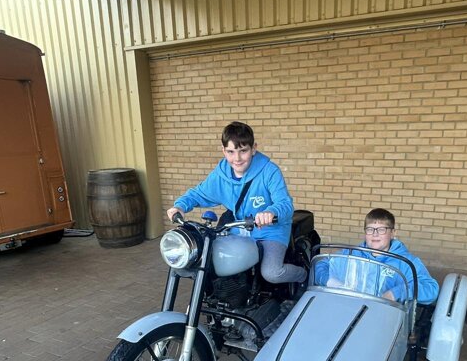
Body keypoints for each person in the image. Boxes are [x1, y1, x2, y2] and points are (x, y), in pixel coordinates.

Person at [166, 121, 306, 284]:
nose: (237, 158)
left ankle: (303, 276)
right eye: (231, 152)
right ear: (223, 151)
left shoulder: (269, 171)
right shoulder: (221, 174)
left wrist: (271, 212)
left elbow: (285, 203)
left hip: (271, 230)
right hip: (240, 227)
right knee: (211, 260)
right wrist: (180, 206)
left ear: (253, 148)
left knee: (272, 273)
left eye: (243, 151)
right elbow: (198, 193)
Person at [315, 208, 439, 304]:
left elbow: (431, 289)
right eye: (370, 229)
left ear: (393, 233)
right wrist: (331, 282)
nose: (375, 234)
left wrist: (396, 293)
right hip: (349, 307)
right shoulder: (351, 253)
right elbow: (321, 265)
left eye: (381, 229)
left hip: (386, 315)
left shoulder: (406, 262)